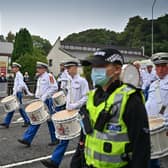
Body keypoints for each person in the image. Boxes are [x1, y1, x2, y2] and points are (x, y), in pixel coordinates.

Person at [79, 49, 150, 168]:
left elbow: (141, 147)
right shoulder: (91, 96)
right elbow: (85, 134)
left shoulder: (130, 99)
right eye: (93, 66)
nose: (95, 71)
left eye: (100, 66)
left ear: (117, 69)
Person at [41, 61, 89, 168]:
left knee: (84, 138)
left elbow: (86, 97)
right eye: (66, 68)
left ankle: (86, 162)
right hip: (70, 112)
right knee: (65, 136)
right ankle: (54, 161)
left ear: (76, 68)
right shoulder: (69, 81)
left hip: (80, 112)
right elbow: (68, 95)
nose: (67, 69)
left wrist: (75, 105)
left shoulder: (82, 81)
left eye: (69, 67)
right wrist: (67, 106)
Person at [18, 61, 59, 147]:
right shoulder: (39, 77)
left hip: (47, 100)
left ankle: (55, 139)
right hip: (40, 100)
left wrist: (44, 96)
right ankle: (27, 139)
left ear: (44, 69)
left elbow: (54, 87)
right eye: (37, 68)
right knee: (36, 119)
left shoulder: (49, 76)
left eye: (39, 68)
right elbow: (39, 89)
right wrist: (36, 96)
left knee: (50, 120)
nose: (38, 70)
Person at [146, 52, 168, 168]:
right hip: (153, 129)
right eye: (157, 66)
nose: (160, 69)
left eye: (163, 66)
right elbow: (149, 105)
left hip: (165, 129)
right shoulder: (154, 85)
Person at [0, 62, 30, 128]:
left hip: (18, 93)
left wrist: (16, 92)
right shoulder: (17, 74)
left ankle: (27, 121)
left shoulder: (19, 75)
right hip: (17, 93)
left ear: (17, 68)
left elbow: (21, 84)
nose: (12, 69)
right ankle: (7, 123)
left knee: (18, 108)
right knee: (13, 107)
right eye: (12, 68)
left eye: (14, 68)